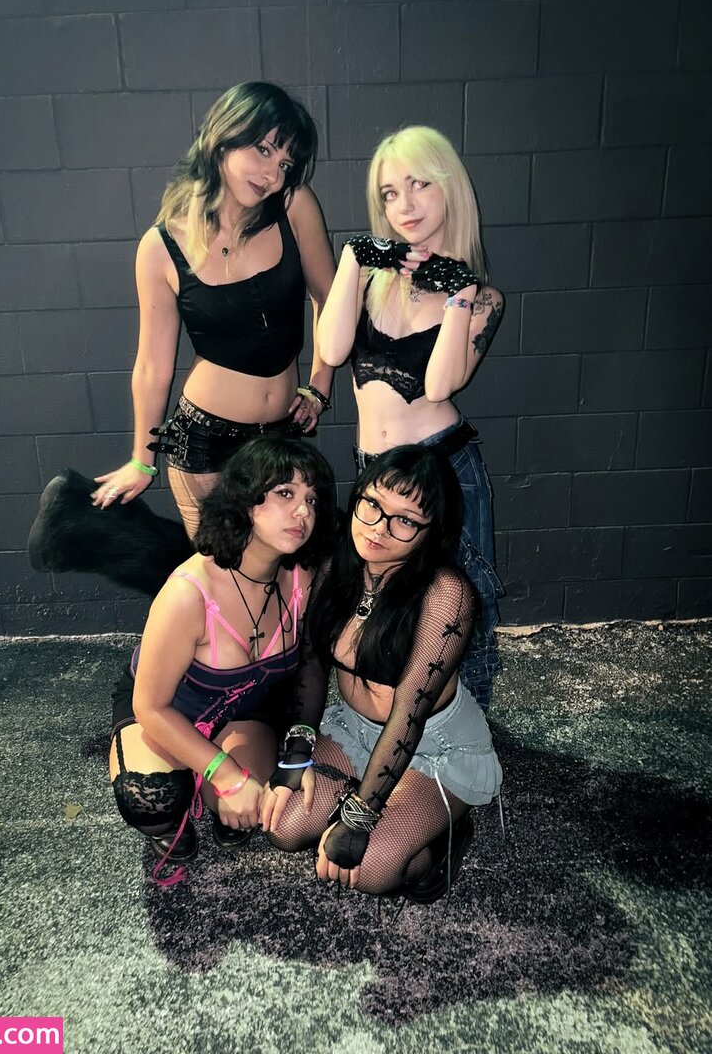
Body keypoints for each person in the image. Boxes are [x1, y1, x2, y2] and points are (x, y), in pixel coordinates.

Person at [91, 81, 336, 538]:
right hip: (205, 446)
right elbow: (152, 367)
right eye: (263, 150)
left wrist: (320, 385)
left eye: (285, 164)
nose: (272, 174)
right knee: (224, 575)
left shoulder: (293, 206)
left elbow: (330, 299)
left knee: (290, 565)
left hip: (282, 435)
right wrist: (142, 460)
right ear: (223, 138)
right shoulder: (161, 247)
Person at [262, 445, 502, 902]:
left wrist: (359, 817)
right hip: (355, 730)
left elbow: (409, 717)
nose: (378, 528)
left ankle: (438, 838)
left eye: (405, 520)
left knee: (369, 870)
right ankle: (375, 803)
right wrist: (297, 753)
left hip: (432, 747)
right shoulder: (336, 566)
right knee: (284, 826)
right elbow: (312, 666)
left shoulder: (446, 595)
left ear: (432, 532)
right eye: (372, 504)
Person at [317, 125, 505, 708]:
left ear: (451, 188)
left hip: (444, 471)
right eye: (390, 192)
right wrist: (351, 262)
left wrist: (458, 293)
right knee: (386, 599)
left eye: (420, 184)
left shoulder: (482, 298)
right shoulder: (372, 281)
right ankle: (396, 718)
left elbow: (441, 383)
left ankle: (468, 725)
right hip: (375, 474)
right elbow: (330, 350)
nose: (405, 204)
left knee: (462, 604)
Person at [109, 436, 335, 886]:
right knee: (151, 799)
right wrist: (225, 773)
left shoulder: (302, 579)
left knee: (263, 808)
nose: (303, 512)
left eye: (311, 499)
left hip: (247, 714)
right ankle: (175, 813)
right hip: (169, 710)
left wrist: (297, 750)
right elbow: (150, 706)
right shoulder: (188, 592)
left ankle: (217, 797)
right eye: (285, 493)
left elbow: (312, 669)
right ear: (243, 500)